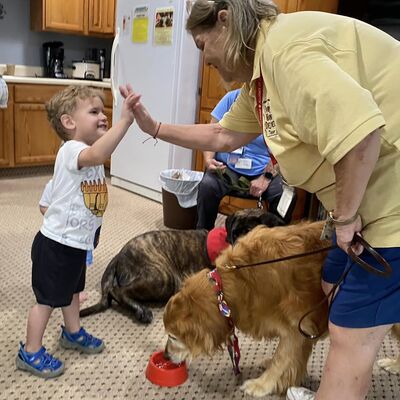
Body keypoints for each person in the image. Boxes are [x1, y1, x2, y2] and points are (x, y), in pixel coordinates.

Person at [122, 1, 400, 399]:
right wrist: (156, 127)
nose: (205, 59)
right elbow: (222, 136)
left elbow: (362, 134)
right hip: (367, 198)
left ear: (224, 21)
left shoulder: (285, 51)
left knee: (349, 336)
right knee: (327, 284)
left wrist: (345, 217)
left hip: (390, 204)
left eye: (202, 45)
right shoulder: (260, 76)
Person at [16, 84, 139, 378]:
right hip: (56, 247)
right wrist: (124, 122)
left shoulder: (82, 158)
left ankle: (72, 332)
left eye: (103, 111)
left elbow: (50, 201)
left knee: (73, 291)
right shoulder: (74, 150)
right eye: (94, 111)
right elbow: (98, 154)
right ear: (69, 123)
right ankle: (30, 351)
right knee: (46, 301)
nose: (103, 116)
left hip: (75, 244)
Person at [197, 88, 288, 230]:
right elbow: (211, 133)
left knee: (283, 194)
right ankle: (203, 234)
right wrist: (209, 160)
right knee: (207, 185)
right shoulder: (231, 97)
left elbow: (283, 151)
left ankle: (274, 240)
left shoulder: (276, 105)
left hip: (263, 170)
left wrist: (266, 177)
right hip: (227, 167)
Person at [39, 178, 101, 304]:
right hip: (61, 238)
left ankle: (75, 292)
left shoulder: (88, 184)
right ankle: (63, 291)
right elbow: (43, 206)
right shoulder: (54, 183)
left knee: (79, 266)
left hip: (81, 236)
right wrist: (58, 218)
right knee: (62, 267)